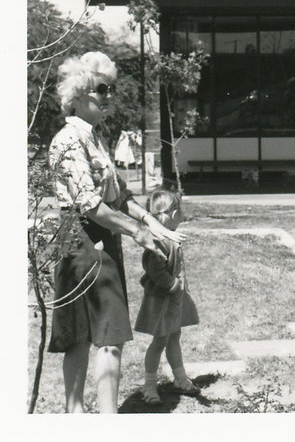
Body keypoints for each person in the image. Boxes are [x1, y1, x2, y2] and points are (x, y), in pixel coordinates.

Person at [47, 51, 184, 413]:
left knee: (105, 337)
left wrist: (150, 219)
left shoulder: (97, 139)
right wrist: (137, 231)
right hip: (81, 242)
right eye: (101, 89)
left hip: (101, 240)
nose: (109, 96)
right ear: (78, 94)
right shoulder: (68, 141)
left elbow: (119, 195)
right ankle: (82, 418)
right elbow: (90, 205)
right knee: (86, 338)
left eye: (111, 88)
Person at [135, 189, 200, 404]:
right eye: (180, 210)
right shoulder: (159, 241)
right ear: (172, 214)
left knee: (174, 337)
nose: (182, 215)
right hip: (162, 301)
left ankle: (180, 379)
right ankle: (149, 386)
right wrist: (173, 286)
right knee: (160, 341)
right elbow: (156, 271)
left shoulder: (169, 238)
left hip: (173, 301)